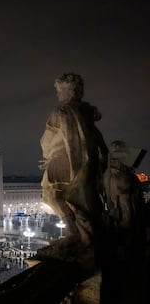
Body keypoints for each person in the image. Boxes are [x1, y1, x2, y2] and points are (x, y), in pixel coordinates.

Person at [38, 73, 109, 269]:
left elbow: (58, 141)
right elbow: (99, 144)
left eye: (59, 89)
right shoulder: (85, 114)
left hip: (62, 161)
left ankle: (73, 232)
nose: (57, 93)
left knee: (50, 195)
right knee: (73, 198)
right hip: (79, 163)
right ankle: (79, 232)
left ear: (69, 90)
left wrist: (56, 158)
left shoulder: (62, 112)